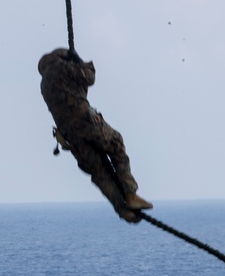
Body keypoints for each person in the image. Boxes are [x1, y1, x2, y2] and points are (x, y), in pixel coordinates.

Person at [38, 47, 152, 223]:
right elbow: (88, 78)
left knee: (99, 173)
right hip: (86, 122)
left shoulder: (44, 85)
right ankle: (130, 194)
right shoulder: (62, 67)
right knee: (115, 143)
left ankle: (123, 210)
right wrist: (80, 62)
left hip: (70, 136)